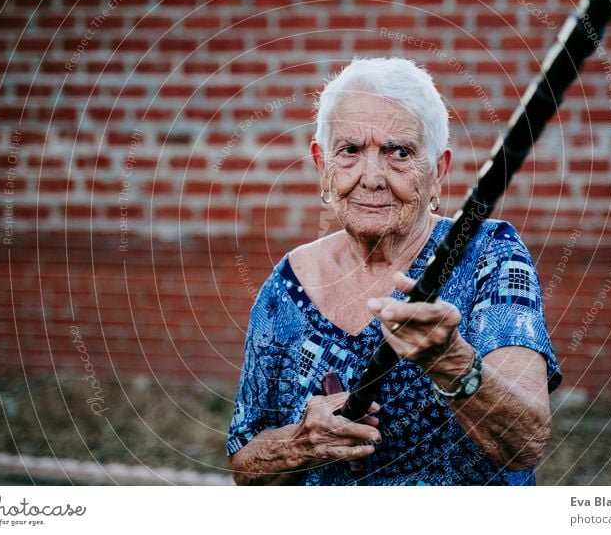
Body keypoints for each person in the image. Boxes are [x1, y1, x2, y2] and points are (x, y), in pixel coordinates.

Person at [226, 57, 562, 485]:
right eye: (349, 151)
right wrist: (301, 442)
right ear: (322, 166)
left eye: (399, 153)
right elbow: (244, 464)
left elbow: (525, 443)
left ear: (438, 171)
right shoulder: (285, 287)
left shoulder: (489, 256)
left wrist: (450, 360)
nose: (372, 177)